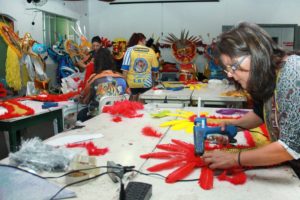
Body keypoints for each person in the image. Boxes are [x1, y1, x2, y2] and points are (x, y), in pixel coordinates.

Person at [202, 22, 300, 174]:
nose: (229, 74)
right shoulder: (267, 77)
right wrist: (231, 126)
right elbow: (260, 113)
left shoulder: (293, 74)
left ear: (257, 53)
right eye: (227, 69)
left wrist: (235, 158)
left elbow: (289, 147)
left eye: (233, 66)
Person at [77, 48, 127, 122]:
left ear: (96, 62)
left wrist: (80, 97)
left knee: (81, 114)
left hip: (96, 116)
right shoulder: (121, 78)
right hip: (117, 115)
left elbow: (84, 100)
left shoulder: (94, 78)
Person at [121, 33, 159, 101]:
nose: (146, 42)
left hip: (132, 84)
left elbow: (125, 71)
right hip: (146, 83)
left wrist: (125, 86)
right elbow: (155, 71)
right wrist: (153, 83)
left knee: (132, 106)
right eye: (145, 40)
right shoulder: (151, 51)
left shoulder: (129, 50)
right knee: (143, 106)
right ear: (141, 40)